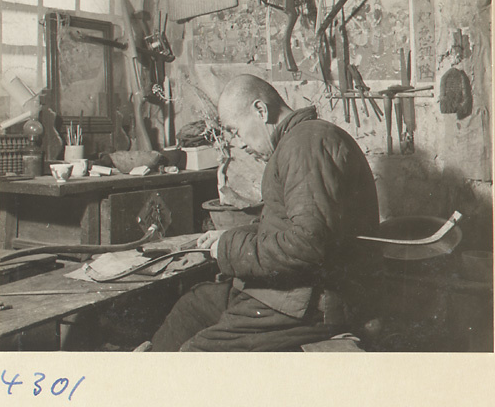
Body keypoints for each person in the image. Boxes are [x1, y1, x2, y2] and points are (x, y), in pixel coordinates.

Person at [150, 74, 382, 352]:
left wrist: (228, 247)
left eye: (235, 131)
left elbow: (309, 243)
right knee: (194, 305)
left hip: (314, 304)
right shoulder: (299, 141)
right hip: (294, 294)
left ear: (261, 110)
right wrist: (229, 236)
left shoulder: (304, 145)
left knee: (196, 355)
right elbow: (295, 228)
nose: (237, 143)